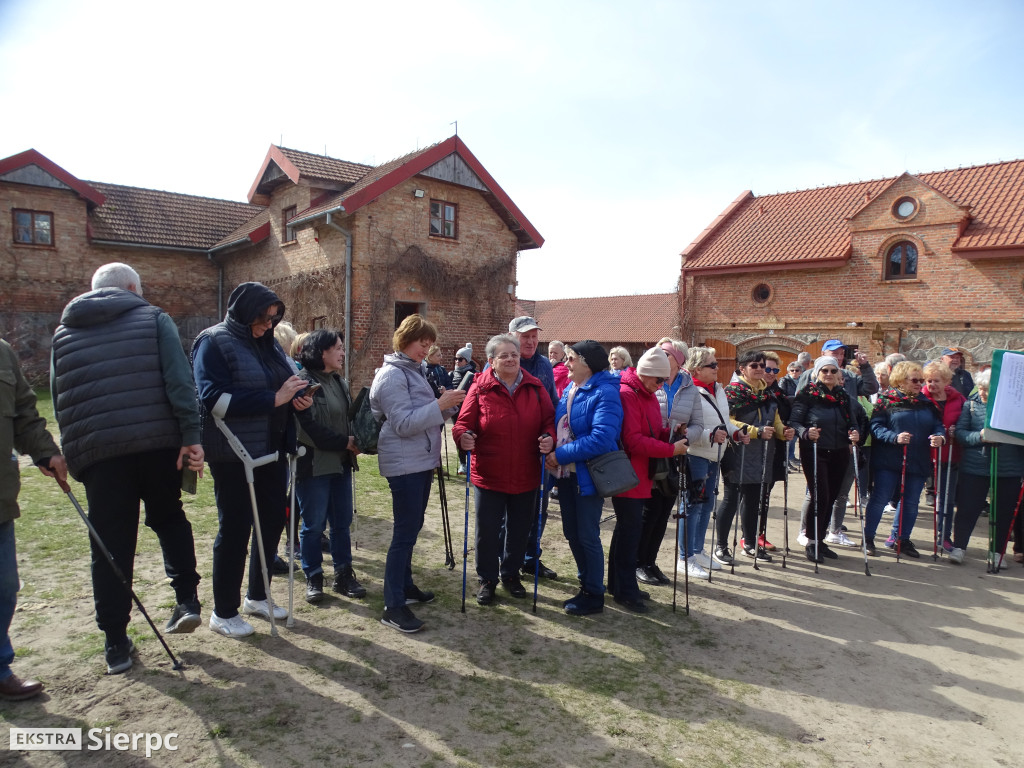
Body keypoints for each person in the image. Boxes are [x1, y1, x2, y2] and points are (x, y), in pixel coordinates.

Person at [51, 262, 206, 672]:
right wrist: (192, 435)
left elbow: (59, 397)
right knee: (169, 517)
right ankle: (187, 599)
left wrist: (74, 453)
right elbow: (179, 381)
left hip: (100, 454)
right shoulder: (153, 317)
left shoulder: (63, 333)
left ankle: (115, 644)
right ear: (134, 288)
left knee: (110, 546)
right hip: (157, 443)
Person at [193, 281, 313, 638]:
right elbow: (212, 399)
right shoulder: (212, 341)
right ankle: (223, 612)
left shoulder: (270, 346)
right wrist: (274, 399)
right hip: (233, 452)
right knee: (235, 528)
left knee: (273, 520)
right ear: (244, 314)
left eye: (273, 320)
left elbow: (283, 386)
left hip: (273, 449)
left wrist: (297, 398)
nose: (267, 326)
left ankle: (257, 596)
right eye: (262, 320)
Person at [371, 315, 465, 632]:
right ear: (404, 340)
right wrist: (439, 405)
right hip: (404, 463)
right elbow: (404, 423)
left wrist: (448, 405)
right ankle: (392, 606)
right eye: (421, 343)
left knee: (412, 528)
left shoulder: (413, 371)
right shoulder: (392, 376)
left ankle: (405, 587)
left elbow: (423, 415)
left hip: (420, 461)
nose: (426, 349)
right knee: (404, 533)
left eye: (428, 344)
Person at [453, 334, 554, 605]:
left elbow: (549, 421)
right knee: (486, 531)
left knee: (519, 529)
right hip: (489, 472)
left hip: (526, 472)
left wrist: (549, 437)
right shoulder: (480, 387)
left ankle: (511, 574)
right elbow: (462, 423)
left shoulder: (535, 387)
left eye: (514, 354)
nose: (511, 359)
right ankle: (487, 578)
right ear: (491, 361)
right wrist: (463, 436)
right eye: (504, 355)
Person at [1, 339, 66, 700]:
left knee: (4, 587)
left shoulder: (2, 352)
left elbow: (24, 411)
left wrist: (45, 451)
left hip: (0, 499)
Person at [545, 341, 622, 616]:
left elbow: (602, 438)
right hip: (566, 475)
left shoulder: (605, 392)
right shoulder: (571, 387)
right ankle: (585, 584)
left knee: (587, 535)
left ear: (586, 363)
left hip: (587, 475)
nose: (566, 363)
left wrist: (561, 454)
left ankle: (594, 593)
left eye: (571, 358)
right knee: (572, 533)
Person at [608, 347, 687, 610]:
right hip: (629, 473)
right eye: (659, 380)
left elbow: (649, 432)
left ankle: (620, 583)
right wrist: (669, 449)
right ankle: (625, 589)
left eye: (663, 380)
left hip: (642, 474)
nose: (662, 385)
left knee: (627, 532)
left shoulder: (648, 393)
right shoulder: (628, 394)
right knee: (629, 533)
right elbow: (632, 440)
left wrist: (669, 433)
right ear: (646, 374)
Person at [293, 329, 365, 604]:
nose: (342, 352)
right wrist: (345, 442)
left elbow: (348, 418)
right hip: (313, 466)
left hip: (341, 464)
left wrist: (358, 439)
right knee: (313, 526)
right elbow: (308, 429)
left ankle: (344, 575)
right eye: (337, 348)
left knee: (341, 523)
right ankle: (313, 576)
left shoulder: (339, 382)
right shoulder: (302, 383)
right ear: (321, 352)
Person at [715, 350, 793, 565]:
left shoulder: (768, 394)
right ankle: (721, 546)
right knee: (731, 500)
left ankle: (750, 543)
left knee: (754, 501)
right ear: (742, 369)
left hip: (762, 455)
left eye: (762, 366)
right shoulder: (732, 392)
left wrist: (783, 431)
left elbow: (775, 421)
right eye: (754, 366)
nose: (760, 369)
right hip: (738, 452)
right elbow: (728, 421)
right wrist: (755, 430)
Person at [636, 339, 703, 584]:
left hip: (675, 455)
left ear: (679, 360)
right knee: (649, 512)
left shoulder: (690, 387)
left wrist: (685, 437)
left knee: (664, 511)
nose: (660, 356)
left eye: (667, 354)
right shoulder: (653, 383)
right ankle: (638, 562)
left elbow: (698, 424)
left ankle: (650, 562)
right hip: (651, 454)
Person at [862, 362, 945, 557]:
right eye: (915, 380)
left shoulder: (927, 403)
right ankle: (868, 538)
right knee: (880, 499)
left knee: (910, 502)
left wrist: (939, 437)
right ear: (900, 381)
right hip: (889, 459)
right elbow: (875, 427)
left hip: (918, 459)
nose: (919, 384)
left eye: (920, 380)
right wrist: (894, 437)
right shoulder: (886, 401)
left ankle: (902, 539)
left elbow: (937, 425)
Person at [789, 356, 860, 563]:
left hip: (839, 451)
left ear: (839, 374)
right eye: (824, 371)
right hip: (815, 450)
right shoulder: (807, 394)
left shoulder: (843, 397)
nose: (829, 374)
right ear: (817, 374)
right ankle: (811, 541)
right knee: (820, 495)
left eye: (832, 371)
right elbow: (795, 422)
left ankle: (821, 540)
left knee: (833, 495)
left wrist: (854, 433)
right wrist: (805, 432)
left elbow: (853, 423)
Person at [950, 370, 1023, 565]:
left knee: (1003, 512)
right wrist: (980, 436)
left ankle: (997, 552)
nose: (981, 392)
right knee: (967, 509)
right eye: (980, 388)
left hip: (1009, 469)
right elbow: (961, 434)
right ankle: (959, 547)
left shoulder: (1016, 409)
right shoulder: (971, 405)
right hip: (975, 467)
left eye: (986, 390)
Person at [507, 316, 559, 581]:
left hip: (539, 450)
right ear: (513, 336)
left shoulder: (543, 366)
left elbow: (552, 404)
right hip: (510, 451)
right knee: (510, 510)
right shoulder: (501, 361)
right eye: (525, 336)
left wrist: (552, 438)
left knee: (539, 508)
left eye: (534, 336)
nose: (530, 341)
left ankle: (530, 558)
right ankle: (506, 560)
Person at [679, 346, 731, 579]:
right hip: (696, 454)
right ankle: (685, 556)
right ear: (697, 369)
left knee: (707, 505)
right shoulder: (689, 390)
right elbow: (684, 427)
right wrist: (709, 434)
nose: (717, 368)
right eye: (712, 365)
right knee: (693, 505)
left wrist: (736, 433)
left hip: (714, 455)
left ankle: (697, 550)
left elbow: (724, 421)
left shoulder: (718, 389)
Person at [922, 361, 966, 550]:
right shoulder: (920, 398)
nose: (932, 384)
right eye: (929, 380)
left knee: (946, 499)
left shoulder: (959, 400)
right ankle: (898, 535)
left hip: (949, 456)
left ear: (947, 381)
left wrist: (959, 429)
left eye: (936, 381)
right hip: (923, 454)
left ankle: (944, 536)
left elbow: (967, 422)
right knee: (909, 495)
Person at [796, 340, 878, 399]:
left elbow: (871, 389)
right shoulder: (809, 375)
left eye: (842, 354)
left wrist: (865, 366)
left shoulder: (849, 376)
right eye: (834, 353)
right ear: (823, 354)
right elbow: (799, 401)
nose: (839, 357)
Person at [451, 345, 477, 475]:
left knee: (472, 437)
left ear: (466, 360)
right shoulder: (452, 374)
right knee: (460, 437)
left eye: (460, 359)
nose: (456, 361)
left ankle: (473, 463)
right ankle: (463, 464)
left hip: (470, 410)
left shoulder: (474, 375)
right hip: (456, 410)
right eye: (455, 359)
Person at [780, 362, 803, 471]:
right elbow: (782, 396)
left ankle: (791, 457)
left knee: (794, 438)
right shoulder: (784, 381)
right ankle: (786, 460)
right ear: (788, 372)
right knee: (788, 438)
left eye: (797, 370)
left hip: (798, 412)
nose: (794, 372)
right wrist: (795, 398)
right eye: (792, 370)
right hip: (788, 411)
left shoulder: (802, 381)